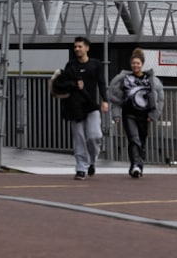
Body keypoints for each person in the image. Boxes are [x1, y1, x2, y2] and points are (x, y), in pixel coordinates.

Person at [52, 36, 109, 180]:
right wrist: (74, 85)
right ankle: (80, 168)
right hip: (75, 107)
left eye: (80, 46)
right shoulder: (70, 65)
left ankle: (92, 160)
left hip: (91, 105)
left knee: (94, 136)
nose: (77, 49)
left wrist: (105, 100)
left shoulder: (95, 64)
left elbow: (101, 82)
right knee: (79, 137)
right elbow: (62, 82)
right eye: (75, 47)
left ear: (87, 48)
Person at [108, 47, 165, 178]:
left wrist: (154, 115)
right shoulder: (125, 79)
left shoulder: (150, 80)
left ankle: (138, 164)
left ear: (142, 64)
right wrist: (116, 114)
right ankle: (135, 166)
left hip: (144, 115)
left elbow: (160, 98)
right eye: (133, 63)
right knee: (134, 139)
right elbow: (116, 98)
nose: (135, 65)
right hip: (128, 114)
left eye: (138, 63)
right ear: (130, 64)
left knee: (141, 141)